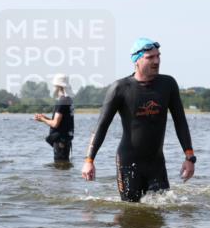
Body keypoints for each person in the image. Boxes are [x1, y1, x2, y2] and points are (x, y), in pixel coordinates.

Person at [82, 38, 195, 202]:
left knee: (161, 210)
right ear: (137, 60)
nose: (156, 61)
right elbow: (101, 126)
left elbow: (180, 122)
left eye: (158, 56)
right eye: (150, 57)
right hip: (128, 163)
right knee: (129, 211)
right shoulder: (120, 88)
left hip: (156, 163)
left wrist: (189, 157)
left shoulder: (168, 84)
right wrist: (89, 160)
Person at [34, 73, 75, 163]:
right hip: (67, 138)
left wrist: (42, 119)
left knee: (59, 165)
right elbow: (62, 122)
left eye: (54, 86)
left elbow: (55, 124)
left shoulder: (62, 101)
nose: (53, 88)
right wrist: (45, 118)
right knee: (65, 164)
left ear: (58, 87)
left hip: (61, 140)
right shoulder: (69, 100)